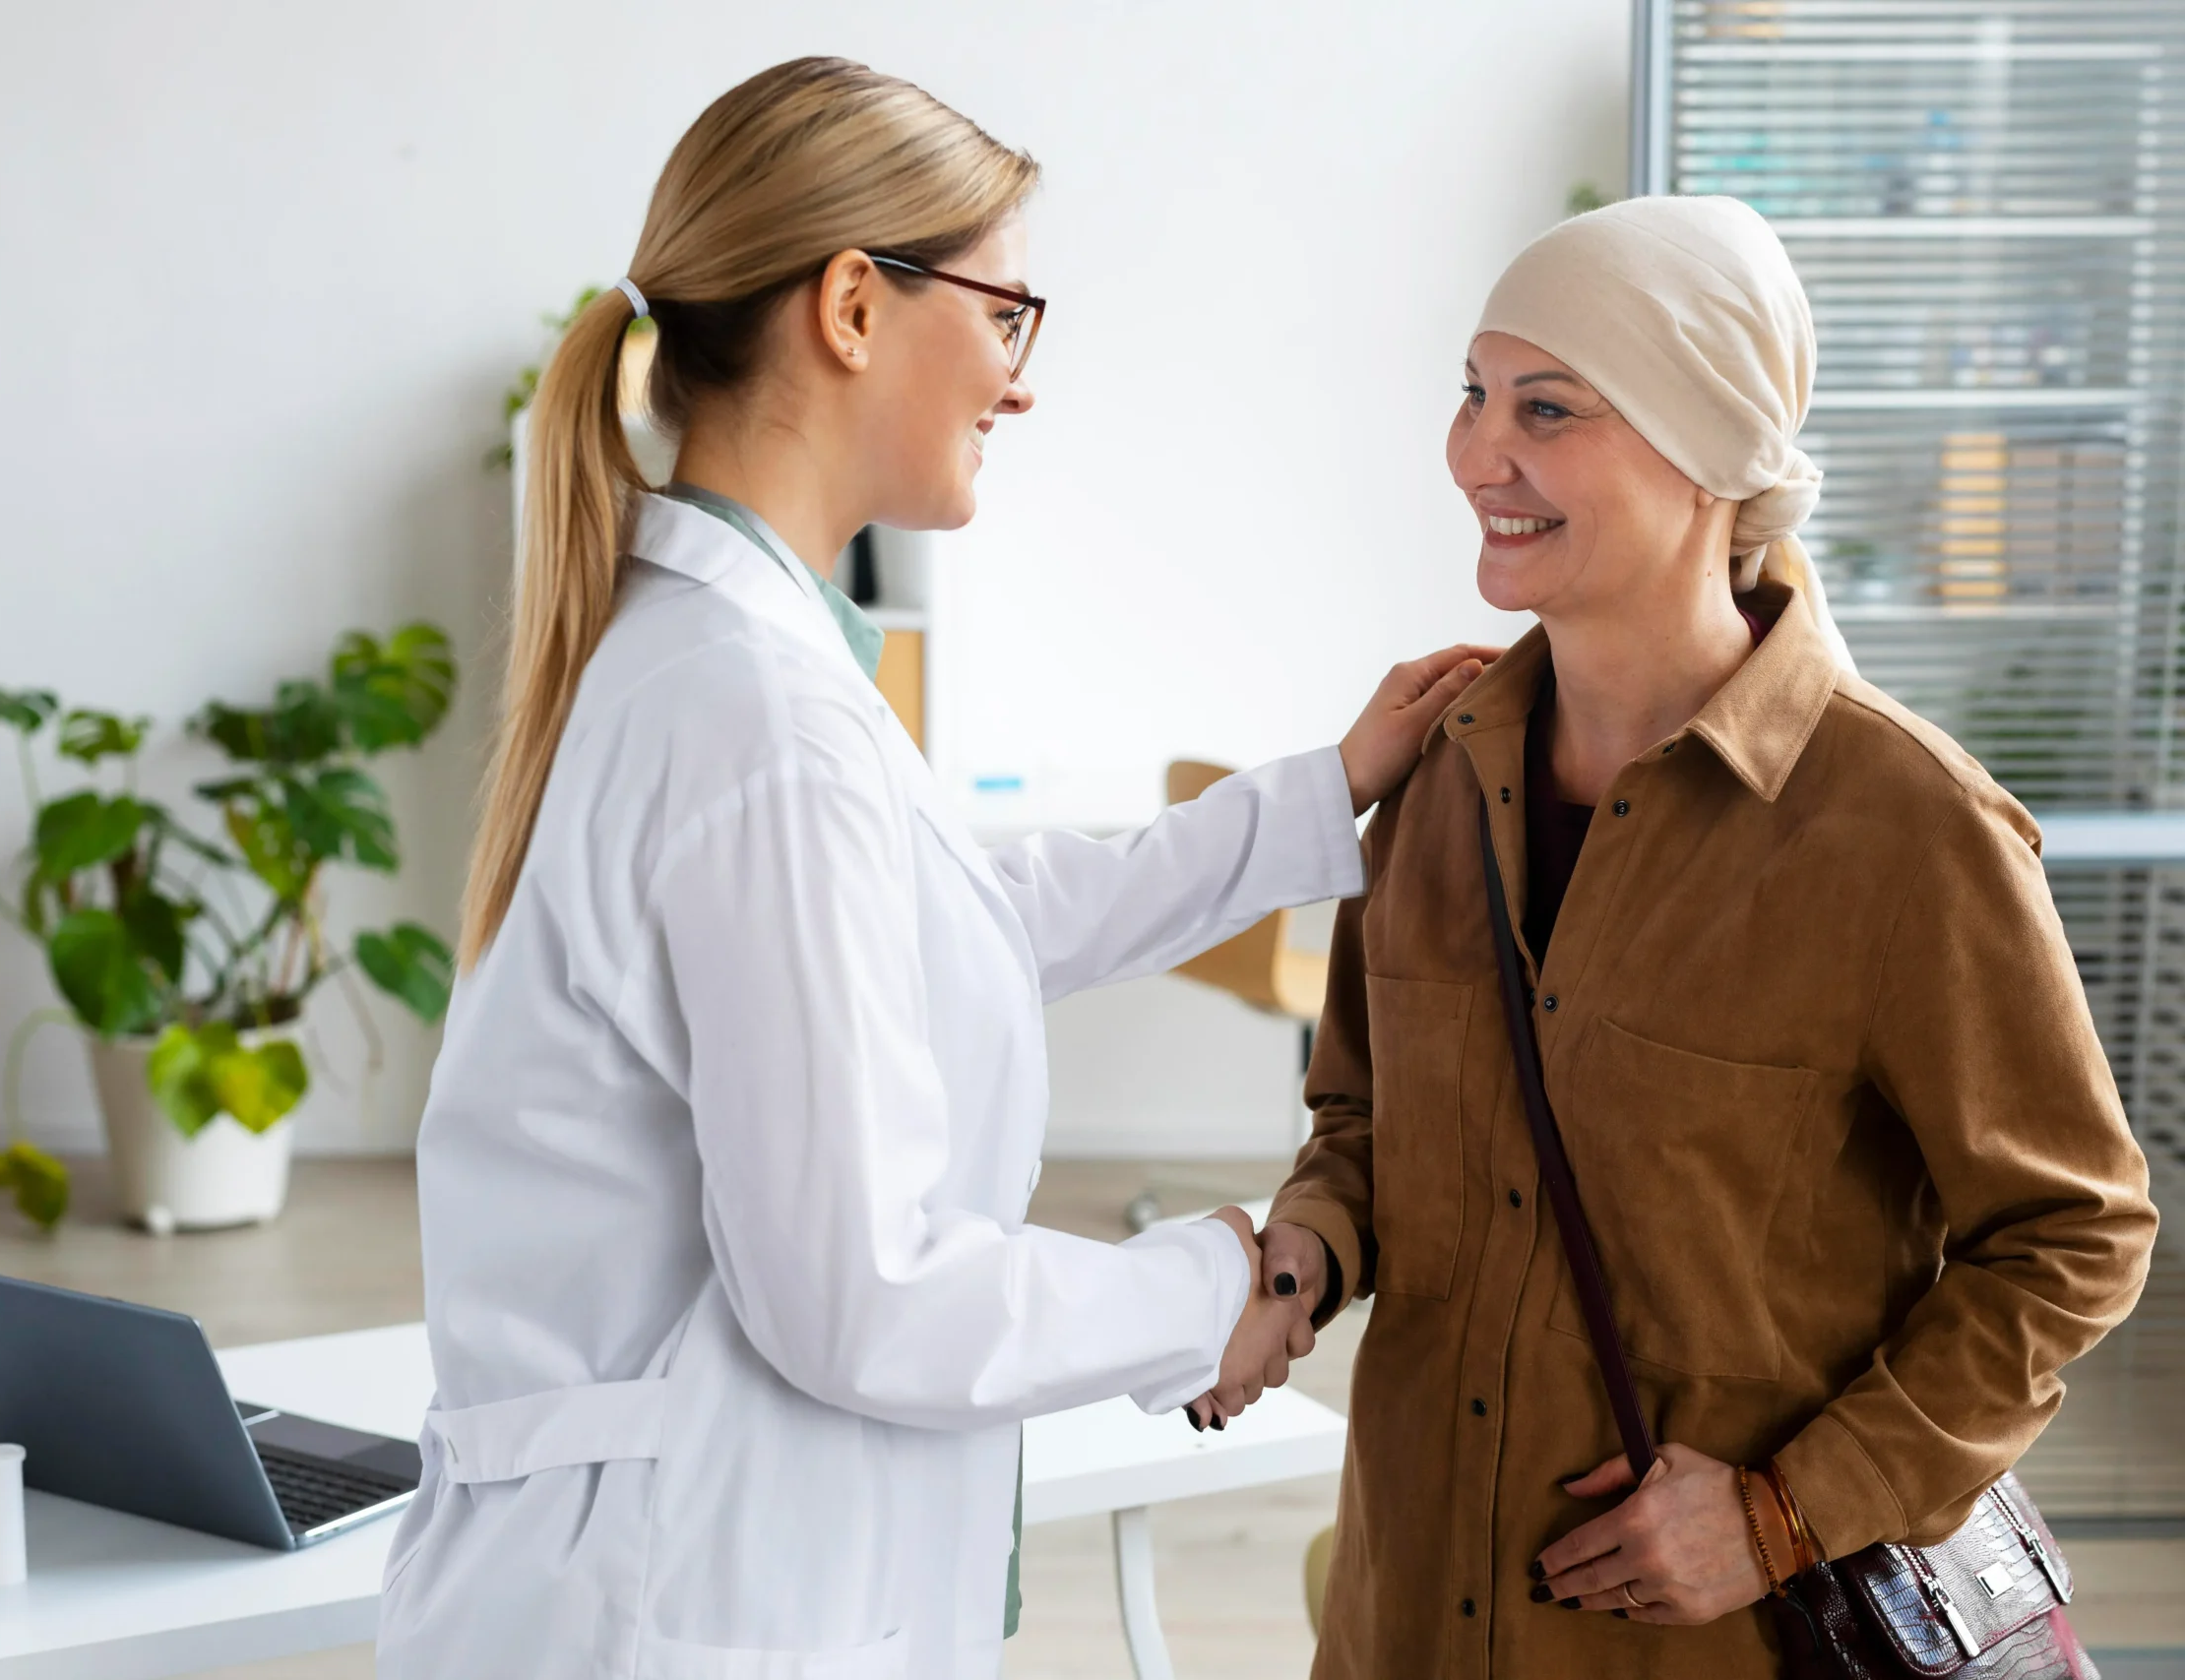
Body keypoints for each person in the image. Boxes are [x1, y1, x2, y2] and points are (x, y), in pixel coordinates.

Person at [375, 58, 1490, 1680]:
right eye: (1007, 312)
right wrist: (1211, 1281)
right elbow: (866, 1293)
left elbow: (958, 921)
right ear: (850, 305)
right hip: (677, 1609)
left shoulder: (723, 660)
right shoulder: (758, 720)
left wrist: (1321, 794)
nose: (1021, 381)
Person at [1251, 197, 2158, 1678]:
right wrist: (1304, 1252)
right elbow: (1361, 1115)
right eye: (1474, 395)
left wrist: (1786, 1510)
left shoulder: (1903, 827)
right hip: (1407, 1612)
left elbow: (2073, 1233)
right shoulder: (1434, 776)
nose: (1480, 453)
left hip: (1716, 1643)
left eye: (1548, 407)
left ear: (1710, 451)